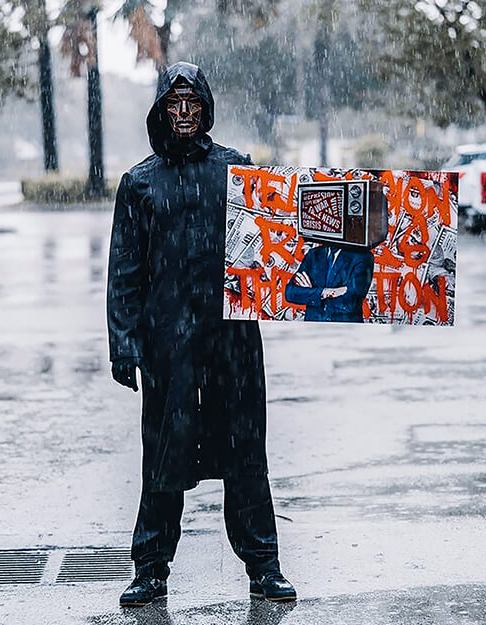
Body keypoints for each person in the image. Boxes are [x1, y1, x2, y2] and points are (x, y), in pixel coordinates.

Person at [106, 62, 296, 607]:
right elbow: (125, 270)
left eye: (192, 103)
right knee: (164, 456)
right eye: (174, 104)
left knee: (245, 455)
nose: (184, 113)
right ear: (161, 111)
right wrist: (125, 342)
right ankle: (150, 570)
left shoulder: (238, 172)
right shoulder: (139, 184)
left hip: (233, 341)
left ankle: (264, 567)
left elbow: (279, 245)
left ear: (206, 107)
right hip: (169, 347)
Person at [284, 243, 375, 322]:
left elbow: (350, 303)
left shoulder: (363, 257)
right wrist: (324, 292)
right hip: (313, 328)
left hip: (345, 330)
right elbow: (290, 293)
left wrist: (310, 293)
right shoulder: (314, 254)